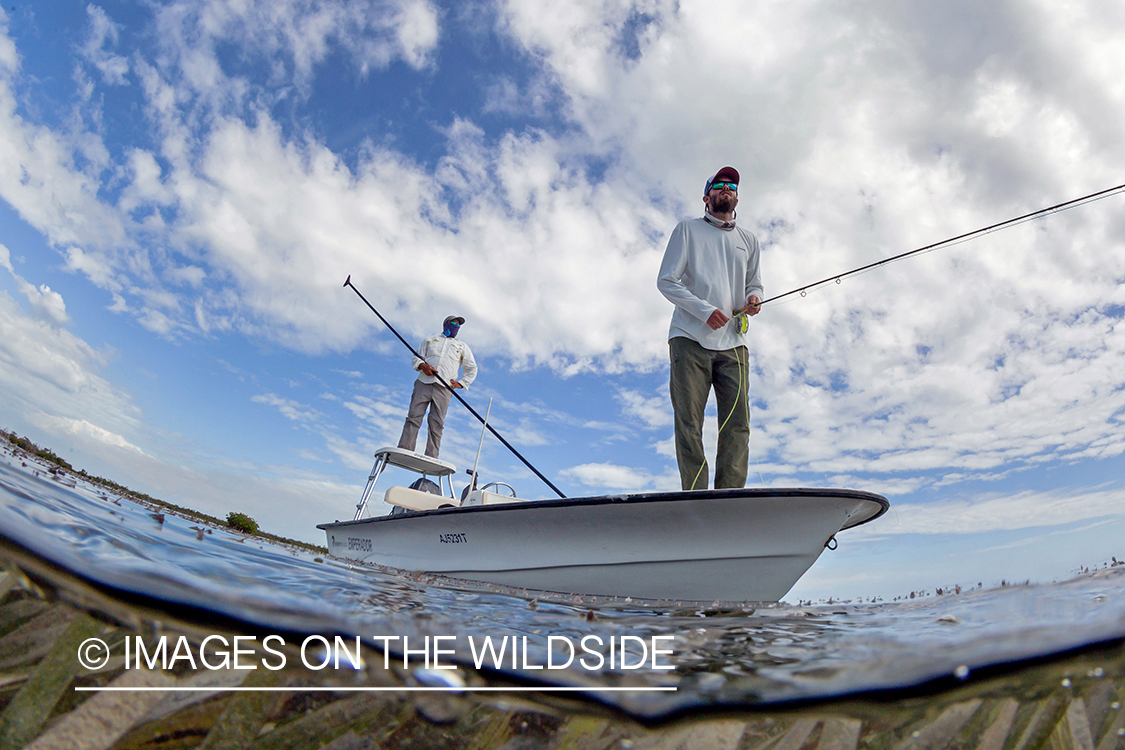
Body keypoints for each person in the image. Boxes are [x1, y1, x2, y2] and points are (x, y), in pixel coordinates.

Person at [656, 166, 763, 490]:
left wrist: (754, 298)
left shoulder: (749, 240)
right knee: (689, 422)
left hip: (734, 342)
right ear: (707, 196)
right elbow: (666, 281)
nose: (726, 188)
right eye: (719, 185)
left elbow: (754, 283)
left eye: (731, 185)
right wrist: (704, 312)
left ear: (737, 198)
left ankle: (728, 496)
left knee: (738, 423)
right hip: (689, 339)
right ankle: (696, 494)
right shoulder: (687, 230)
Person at [397, 315, 477, 458]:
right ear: (446, 324)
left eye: (458, 326)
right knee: (413, 416)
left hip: (445, 388)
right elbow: (416, 357)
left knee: (437, 422)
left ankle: (431, 456)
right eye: (453, 323)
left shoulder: (462, 346)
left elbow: (472, 368)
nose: (456, 327)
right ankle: (405, 449)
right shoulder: (430, 340)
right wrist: (422, 365)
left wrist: (462, 383)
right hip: (423, 383)